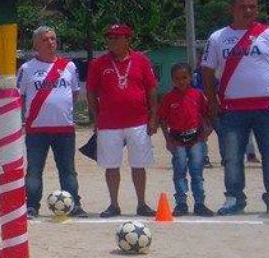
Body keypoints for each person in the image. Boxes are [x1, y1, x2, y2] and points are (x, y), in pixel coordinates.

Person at [200, 0, 269, 215]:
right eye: (242, 6)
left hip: (267, 108)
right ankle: (234, 198)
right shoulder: (217, 38)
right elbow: (207, 71)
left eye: (252, 6)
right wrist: (212, 101)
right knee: (231, 157)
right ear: (231, 9)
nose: (248, 11)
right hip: (232, 109)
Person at [85, 24, 159, 218]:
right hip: (109, 123)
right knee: (111, 165)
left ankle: (142, 204)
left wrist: (153, 117)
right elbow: (91, 92)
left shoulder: (141, 61)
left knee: (139, 164)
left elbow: (151, 89)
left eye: (117, 37)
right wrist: (96, 117)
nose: (112, 41)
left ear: (128, 40)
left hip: (138, 121)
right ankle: (113, 205)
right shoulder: (99, 64)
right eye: (109, 38)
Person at [19, 26, 88, 218]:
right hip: (36, 129)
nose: (50, 42)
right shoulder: (27, 68)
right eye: (45, 39)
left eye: (53, 39)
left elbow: (74, 93)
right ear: (36, 44)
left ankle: (74, 204)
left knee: (68, 170)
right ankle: (31, 206)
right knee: (34, 170)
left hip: (64, 128)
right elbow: (20, 96)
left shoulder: (69, 67)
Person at [158, 62, 214, 217]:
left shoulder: (197, 95)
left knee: (197, 172)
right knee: (179, 171)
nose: (181, 81)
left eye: (184, 77)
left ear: (190, 78)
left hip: (196, 139)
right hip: (177, 140)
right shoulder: (169, 98)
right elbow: (163, 119)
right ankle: (181, 203)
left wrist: (207, 131)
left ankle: (199, 203)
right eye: (177, 78)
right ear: (172, 80)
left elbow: (206, 114)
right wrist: (168, 139)